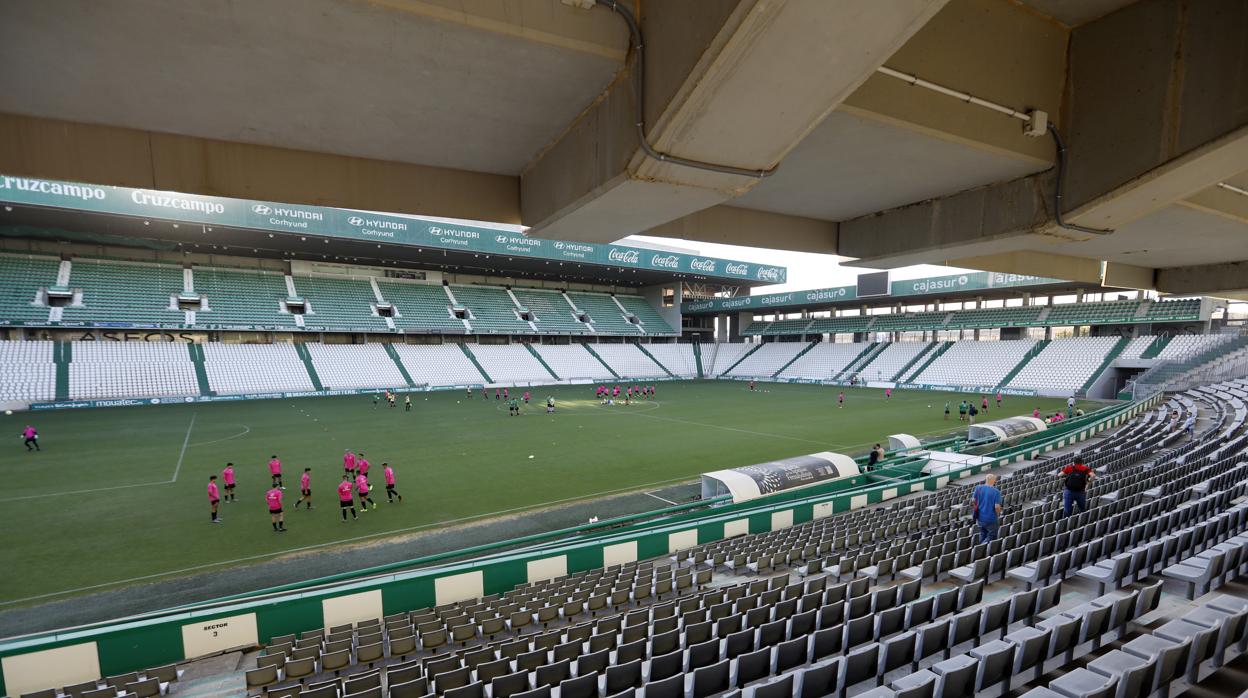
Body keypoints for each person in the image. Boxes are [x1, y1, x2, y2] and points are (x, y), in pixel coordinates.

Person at [971, 474, 1003, 543]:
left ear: (986, 480)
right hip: (991, 519)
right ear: (994, 481)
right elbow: (997, 507)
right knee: (992, 535)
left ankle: (980, 550)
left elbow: (973, 500)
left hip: (980, 517)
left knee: (983, 534)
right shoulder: (996, 492)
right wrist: (998, 514)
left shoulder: (978, 488)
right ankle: (980, 548)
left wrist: (976, 507)